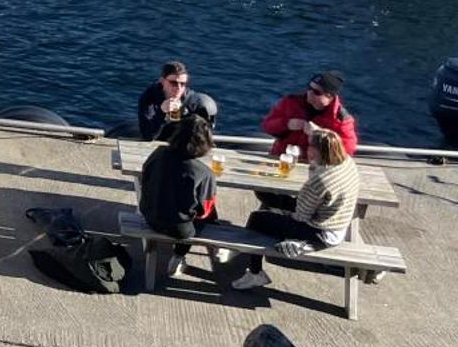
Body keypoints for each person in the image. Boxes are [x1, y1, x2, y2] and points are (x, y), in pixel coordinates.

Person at [231, 125, 361, 291]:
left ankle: (255, 273)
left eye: (310, 146)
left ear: (317, 151)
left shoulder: (320, 181)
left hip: (320, 232)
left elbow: (300, 217)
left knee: (257, 219)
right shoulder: (347, 163)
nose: (307, 149)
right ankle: (250, 251)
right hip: (339, 225)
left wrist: (282, 210)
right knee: (268, 198)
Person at [137, 112, 220, 278]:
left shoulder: (158, 153)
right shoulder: (204, 173)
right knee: (208, 217)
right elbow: (204, 211)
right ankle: (179, 256)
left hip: (150, 215)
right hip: (178, 229)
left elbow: (144, 177)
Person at [262, 71, 359, 159]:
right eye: (309, 87)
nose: (310, 93)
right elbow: (267, 125)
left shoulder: (341, 119)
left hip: (314, 167)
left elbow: (347, 150)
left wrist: (320, 135)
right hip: (280, 158)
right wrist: (286, 124)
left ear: (329, 96)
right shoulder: (291, 102)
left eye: (316, 92)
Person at [137, 60, 193, 141]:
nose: (178, 88)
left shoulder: (190, 99)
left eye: (183, 84)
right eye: (173, 83)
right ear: (162, 81)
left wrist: (183, 113)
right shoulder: (149, 98)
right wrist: (162, 112)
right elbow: (147, 136)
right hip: (157, 138)